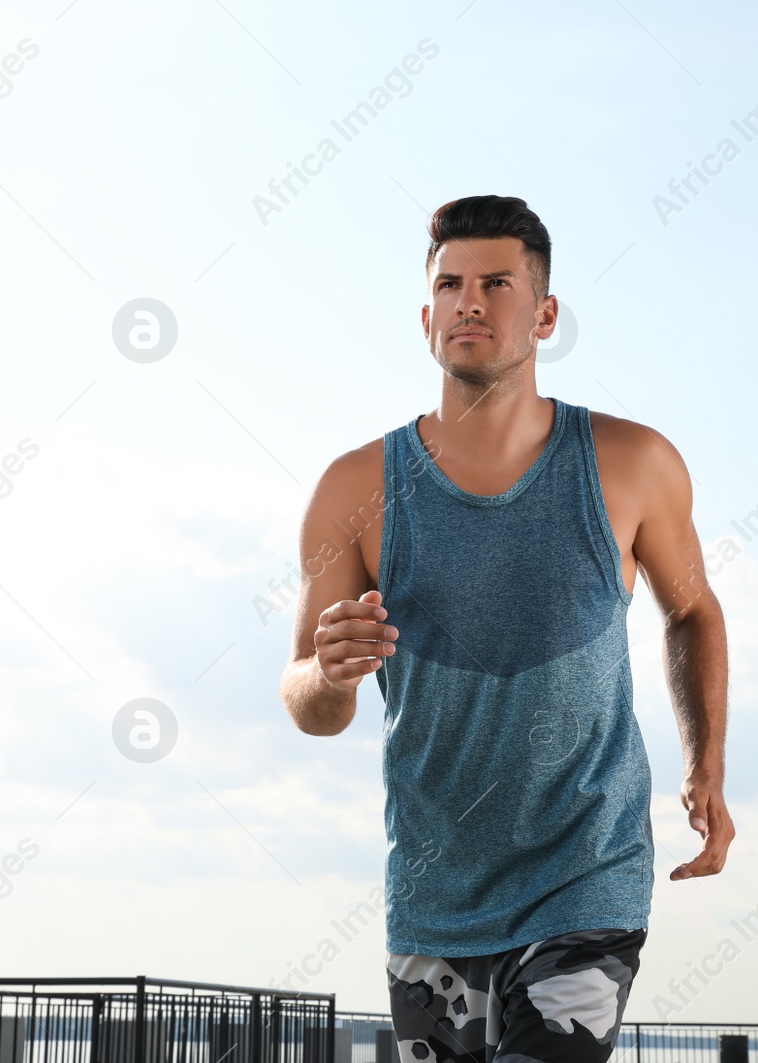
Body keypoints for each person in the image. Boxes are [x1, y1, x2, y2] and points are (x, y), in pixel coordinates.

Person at [277, 195, 733, 1063]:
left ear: (546, 313)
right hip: (433, 889)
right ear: (426, 317)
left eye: (496, 282)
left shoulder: (633, 462)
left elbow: (694, 610)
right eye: (450, 285)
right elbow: (308, 700)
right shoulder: (352, 489)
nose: (470, 302)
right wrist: (330, 673)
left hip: (585, 873)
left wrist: (704, 764)